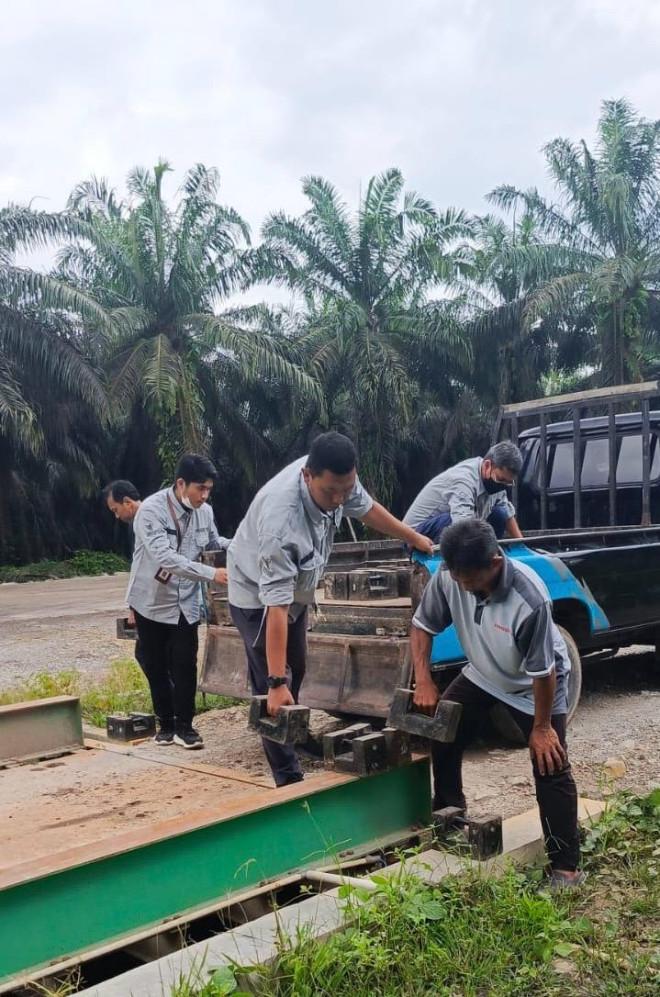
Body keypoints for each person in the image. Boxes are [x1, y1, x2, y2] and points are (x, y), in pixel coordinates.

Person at [227, 431, 434, 787]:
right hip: (256, 597)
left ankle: (294, 729)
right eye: (330, 492)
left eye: (346, 489)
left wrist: (411, 536)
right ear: (307, 476)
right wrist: (277, 683)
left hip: (297, 591)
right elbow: (275, 608)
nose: (339, 500)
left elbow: (367, 509)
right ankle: (289, 778)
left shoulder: (338, 482)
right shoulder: (282, 521)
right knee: (272, 681)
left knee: (300, 665)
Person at [410, 518, 583, 889]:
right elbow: (422, 625)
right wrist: (423, 679)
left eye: (469, 580)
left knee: (549, 762)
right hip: (485, 671)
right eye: (456, 577)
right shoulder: (450, 574)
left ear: (495, 563)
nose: (461, 586)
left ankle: (566, 869)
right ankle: (450, 819)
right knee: (445, 729)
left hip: (532, 683)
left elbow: (543, 671)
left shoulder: (529, 599)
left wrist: (541, 728)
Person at [126, 454, 230, 750]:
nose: (204, 495)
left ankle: (186, 727)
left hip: (185, 600)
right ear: (181, 483)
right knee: (157, 665)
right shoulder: (150, 511)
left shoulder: (205, 512)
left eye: (209, 489)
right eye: (200, 488)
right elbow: (165, 558)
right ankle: (165, 725)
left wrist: (240, 545)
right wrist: (212, 574)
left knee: (185, 664)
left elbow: (212, 542)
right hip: (151, 601)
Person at [403, 441, 524, 542]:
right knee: (454, 524)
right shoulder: (464, 480)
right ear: (487, 466)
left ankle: (483, 561)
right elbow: (464, 528)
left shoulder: (498, 482)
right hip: (415, 537)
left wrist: (522, 547)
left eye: (508, 482)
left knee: (499, 514)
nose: (502, 485)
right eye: (501, 479)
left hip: (456, 527)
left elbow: (507, 515)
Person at [104, 479, 142, 634]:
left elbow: (140, 567)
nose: (117, 516)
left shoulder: (139, 523)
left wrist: (134, 608)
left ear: (127, 502)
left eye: (115, 510)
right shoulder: (159, 514)